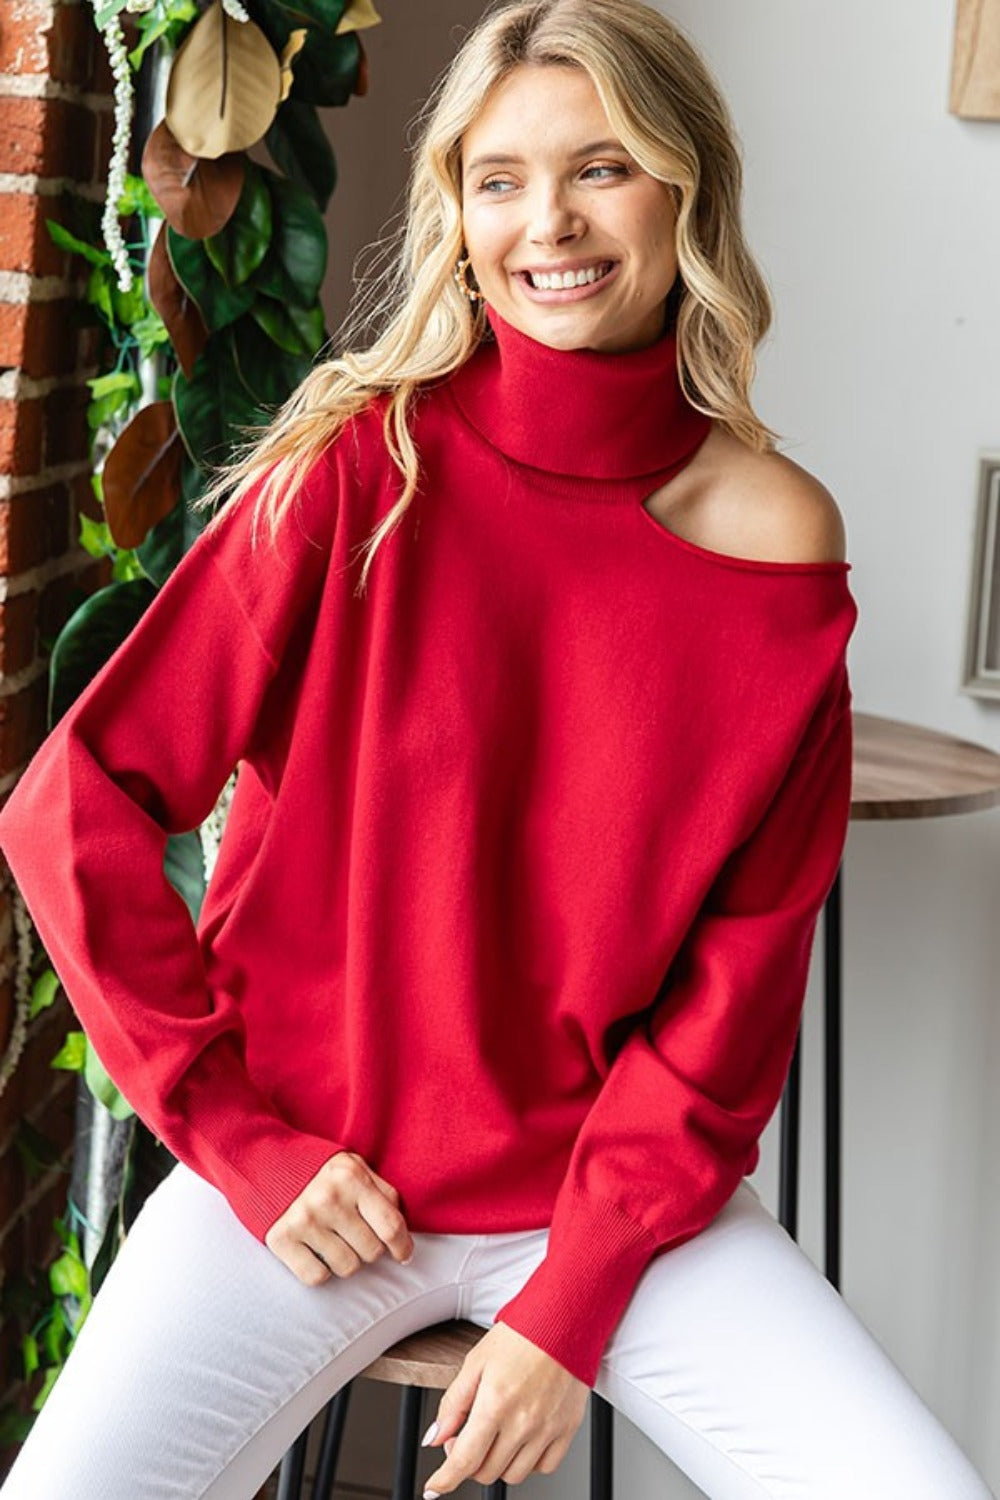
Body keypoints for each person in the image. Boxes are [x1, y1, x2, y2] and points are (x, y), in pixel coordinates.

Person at [0, 0, 994, 1497]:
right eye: (500, 177)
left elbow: (738, 985)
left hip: (609, 1202)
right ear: (457, 215)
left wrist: (571, 1307)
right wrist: (239, 1139)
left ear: (687, 189)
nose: (550, 222)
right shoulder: (359, 471)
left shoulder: (781, 540)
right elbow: (73, 803)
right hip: (309, 1180)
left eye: (601, 167)